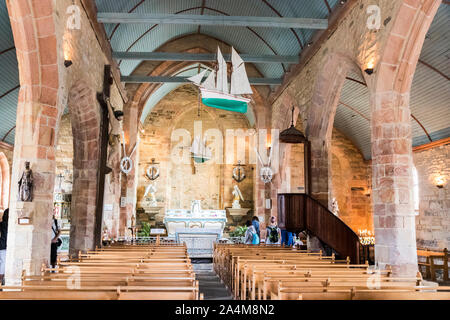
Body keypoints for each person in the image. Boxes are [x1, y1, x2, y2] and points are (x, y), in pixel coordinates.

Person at [105, 97, 124, 175]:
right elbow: (110, 111)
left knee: (115, 151)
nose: (122, 118)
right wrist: (108, 101)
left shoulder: (117, 122)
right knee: (115, 150)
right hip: (113, 136)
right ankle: (108, 162)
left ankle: (109, 162)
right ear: (118, 116)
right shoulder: (113, 119)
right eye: (121, 116)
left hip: (116, 137)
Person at [0, 209, 9, 285]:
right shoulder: (7, 225)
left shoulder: (1, 224)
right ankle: (1, 280)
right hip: (4, 246)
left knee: (3, 263)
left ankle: (2, 280)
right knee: (3, 263)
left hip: (2, 245)